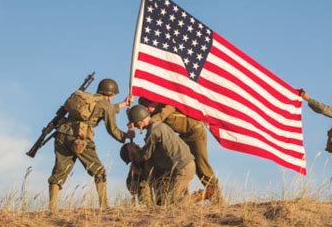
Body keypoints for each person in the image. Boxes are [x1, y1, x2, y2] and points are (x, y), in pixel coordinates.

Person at [47, 78, 135, 211]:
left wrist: (122, 104)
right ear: (110, 94)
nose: (112, 99)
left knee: (59, 172)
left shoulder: (88, 99)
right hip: (81, 138)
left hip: (62, 134)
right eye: (113, 96)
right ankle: (104, 206)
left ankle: (52, 208)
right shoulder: (106, 105)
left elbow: (105, 109)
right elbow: (113, 130)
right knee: (99, 171)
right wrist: (126, 135)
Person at [138, 97, 223, 203]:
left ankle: (217, 197)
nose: (148, 108)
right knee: (179, 164)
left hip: (196, 133)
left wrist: (144, 119)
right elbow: (150, 127)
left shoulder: (168, 104)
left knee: (201, 167)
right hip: (184, 136)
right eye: (145, 107)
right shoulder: (154, 115)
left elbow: (158, 119)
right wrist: (135, 120)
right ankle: (184, 197)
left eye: (150, 103)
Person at [126, 104, 196, 205]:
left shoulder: (153, 131)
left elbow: (145, 155)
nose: (137, 127)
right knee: (166, 203)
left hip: (183, 168)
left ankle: (200, 196)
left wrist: (134, 151)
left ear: (140, 122)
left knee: (170, 203)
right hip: (183, 165)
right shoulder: (158, 125)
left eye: (136, 124)